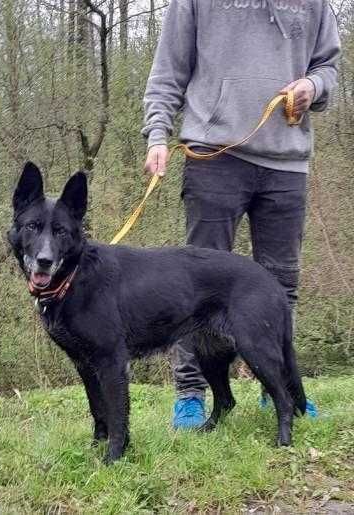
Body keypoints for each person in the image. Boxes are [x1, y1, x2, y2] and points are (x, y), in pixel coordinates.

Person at [142, 0, 341, 429]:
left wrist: (314, 86)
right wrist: (158, 134)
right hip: (213, 156)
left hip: (287, 162)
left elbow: (328, 66)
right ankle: (191, 394)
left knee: (282, 285)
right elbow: (167, 73)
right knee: (193, 287)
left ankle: (281, 388)